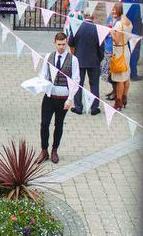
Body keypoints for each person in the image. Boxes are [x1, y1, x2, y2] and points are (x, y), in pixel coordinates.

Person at [38, 32, 80, 164]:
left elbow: (76, 80)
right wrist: (42, 84)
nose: (61, 47)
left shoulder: (73, 59)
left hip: (63, 99)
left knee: (59, 125)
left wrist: (70, 99)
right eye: (59, 44)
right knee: (44, 124)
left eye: (63, 44)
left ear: (66, 43)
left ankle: (54, 150)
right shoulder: (49, 56)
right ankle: (44, 150)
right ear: (54, 43)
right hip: (49, 96)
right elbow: (43, 74)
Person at [68, 14, 104, 116]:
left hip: (79, 59)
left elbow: (70, 42)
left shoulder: (77, 26)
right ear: (93, 18)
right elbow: (101, 47)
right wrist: (99, 59)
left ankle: (78, 107)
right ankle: (94, 108)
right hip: (94, 61)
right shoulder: (98, 29)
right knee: (94, 84)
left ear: (84, 16)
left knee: (78, 84)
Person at [109, 2, 132, 111]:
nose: (112, 11)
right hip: (126, 49)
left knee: (120, 79)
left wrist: (111, 32)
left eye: (114, 9)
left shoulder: (119, 24)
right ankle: (124, 97)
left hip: (119, 51)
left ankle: (118, 102)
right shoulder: (129, 22)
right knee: (126, 76)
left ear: (119, 10)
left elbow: (116, 40)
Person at [120, 0, 143, 81]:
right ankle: (133, 74)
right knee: (133, 53)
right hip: (133, 32)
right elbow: (138, 20)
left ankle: (122, 72)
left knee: (122, 52)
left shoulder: (120, 4)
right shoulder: (136, 5)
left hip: (122, 31)